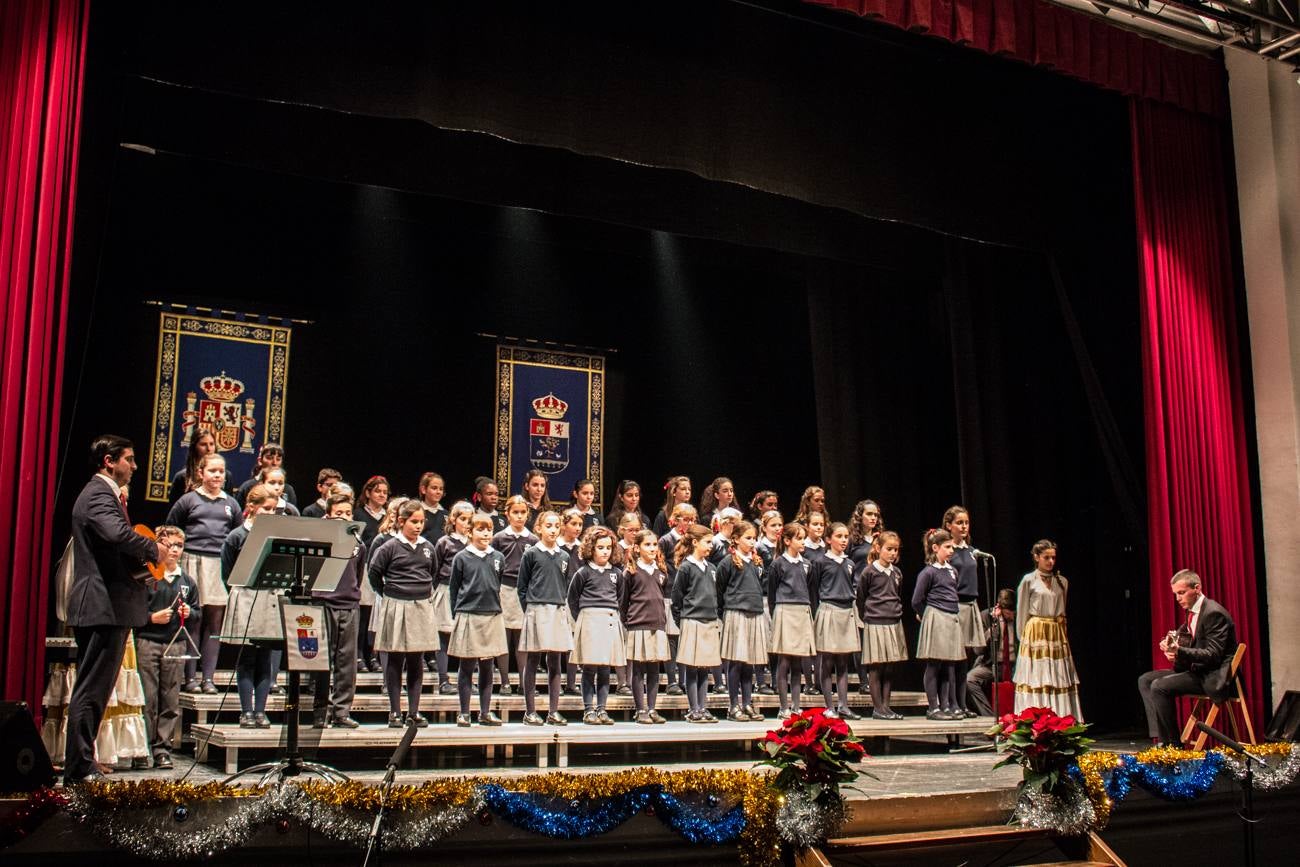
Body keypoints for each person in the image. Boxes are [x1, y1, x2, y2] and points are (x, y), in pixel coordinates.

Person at [1137, 569, 1237, 746]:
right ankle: (1161, 739)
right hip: (1197, 671)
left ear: (1197, 588)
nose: (1178, 598)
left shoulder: (1214, 613)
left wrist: (1179, 651)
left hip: (1212, 676)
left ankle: (1173, 746)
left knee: (1160, 686)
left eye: (1182, 593)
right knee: (1145, 680)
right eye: (1176, 594)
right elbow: (1184, 639)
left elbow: (1213, 655)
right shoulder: (1192, 611)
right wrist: (1169, 645)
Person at [369, 500, 439, 727]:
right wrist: (389, 593)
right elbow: (374, 574)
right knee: (396, 659)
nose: (418, 526)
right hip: (397, 604)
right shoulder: (389, 547)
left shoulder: (428, 547)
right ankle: (395, 712)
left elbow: (433, 573)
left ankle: (413, 712)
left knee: (416, 660)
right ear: (401, 521)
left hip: (421, 605)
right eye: (413, 522)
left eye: (421, 522)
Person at [220, 485, 285, 728]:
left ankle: (260, 711)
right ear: (252, 508)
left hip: (269, 597)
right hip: (246, 597)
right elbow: (228, 573)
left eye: (274, 509)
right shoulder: (237, 536)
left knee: (265, 658)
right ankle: (246, 711)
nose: (270, 513)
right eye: (266, 508)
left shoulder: (276, 537)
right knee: (247, 658)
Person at [134, 525, 197, 770]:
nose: (173, 550)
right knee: (147, 698)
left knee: (170, 699)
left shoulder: (187, 581)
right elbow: (134, 609)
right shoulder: (149, 577)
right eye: (169, 544)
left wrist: (190, 613)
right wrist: (150, 618)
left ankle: (162, 749)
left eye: (178, 546)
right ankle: (143, 748)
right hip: (148, 641)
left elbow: (197, 611)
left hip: (175, 644)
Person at [448, 513, 509, 727]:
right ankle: (464, 712)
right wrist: (457, 613)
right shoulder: (462, 558)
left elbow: (497, 582)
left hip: (491, 615)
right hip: (469, 614)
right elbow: (454, 588)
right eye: (480, 529)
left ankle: (485, 711)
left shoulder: (498, 558)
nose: (485, 533)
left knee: (487, 667)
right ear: (470, 531)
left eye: (489, 530)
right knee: (466, 666)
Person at [310, 492, 365, 729]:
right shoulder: (319, 540)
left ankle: (342, 711)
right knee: (323, 660)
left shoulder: (358, 544)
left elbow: (359, 573)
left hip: (349, 605)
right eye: (338, 514)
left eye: (347, 514)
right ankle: (321, 711)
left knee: (347, 662)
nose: (343, 518)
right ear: (328, 516)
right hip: (324, 603)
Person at [1013, 539, 1083, 719]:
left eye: (1053, 558)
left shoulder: (1062, 582)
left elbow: (1063, 610)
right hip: (1035, 631)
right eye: (1046, 558)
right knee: (1038, 675)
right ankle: (1035, 717)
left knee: (1057, 675)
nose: (1051, 561)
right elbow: (1021, 611)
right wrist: (1023, 639)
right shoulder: (1028, 581)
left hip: (1055, 631)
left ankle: (1060, 718)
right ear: (1036, 558)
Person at [517, 510, 574, 726]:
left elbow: (565, 583)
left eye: (556, 525)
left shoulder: (564, 556)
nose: (553, 529)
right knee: (533, 660)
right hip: (536, 609)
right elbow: (522, 586)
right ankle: (530, 711)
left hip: (558, 609)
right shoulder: (531, 553)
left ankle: (553, 710)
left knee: (555, 661)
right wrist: (531, 608)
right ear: (539, 528)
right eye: (548, 525)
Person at [567, 526, 626, 725]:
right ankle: (588, 709)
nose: (605, 551)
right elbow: (572, 598)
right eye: (600, 547)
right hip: (590, 619)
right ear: (591, 548)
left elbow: (620, 597)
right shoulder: (583, 572)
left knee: (604, 669)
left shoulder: (616, 573)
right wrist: (583, 619)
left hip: (609, 619)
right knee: (589, 668)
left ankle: (602, 708)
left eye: (608, 547)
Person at [717, 520, 769, 721]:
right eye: (748, 538)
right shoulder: (727, 562)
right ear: (736, 539)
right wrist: (725, 612)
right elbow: (719, 589)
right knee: (736, 663)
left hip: (754, 613)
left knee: (750, 663)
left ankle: (747, 704)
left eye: (754, 538)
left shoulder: (757, 562)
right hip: (736, 613)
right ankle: (733, 706)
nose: (752, 542)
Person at [672, 524, 723, 723]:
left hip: (709, 621)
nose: (711, 546)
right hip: (692, 620)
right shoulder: (686, 567)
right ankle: (693, 709)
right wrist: (682, 620)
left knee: (705, 668)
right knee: (692, 668)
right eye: (707, 542)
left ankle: (703, 707)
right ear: (695, 542)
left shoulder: (711, 568)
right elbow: (677, 598)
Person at [913, 527, 964, 721]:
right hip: (936, 617)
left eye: (952, 547)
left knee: (949, 665)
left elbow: (953, 593)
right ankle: (933, 707)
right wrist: (925, 616)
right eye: (947, 547)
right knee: (934, 664)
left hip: (951, 618)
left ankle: (948, 705)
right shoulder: (928, 572)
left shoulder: (952, 571)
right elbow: (917, 600)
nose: (951, 551)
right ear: (935, 547)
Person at [620, 529, 671, 725]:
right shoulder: (631, 572)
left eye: (654, 545)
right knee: (638, 669)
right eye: (647, 545)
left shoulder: (661, 572)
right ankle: (640, 709)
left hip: (657, 624)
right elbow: (623, 601)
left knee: (654, 670)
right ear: (637, 548)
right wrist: (629, 621)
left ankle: (651, 708)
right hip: (638, 624)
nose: (652, 548)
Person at [856, 530, 907, 720]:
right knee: (876, 667)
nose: (893, 553)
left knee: (889, 667)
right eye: (889, 549)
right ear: (878, 548)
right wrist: (867, 616)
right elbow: (861, 597)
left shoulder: (897, 572)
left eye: (895, 550)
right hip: (875, 622)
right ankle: (877, 707)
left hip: (893, 621)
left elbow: (898, 594)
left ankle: (886, 706)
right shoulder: (869, 572)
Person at [811, 522, 860, 719]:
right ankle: (829, 706)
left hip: (846, 611)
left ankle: (843, 705)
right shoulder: (821, 562)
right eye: (839, 536)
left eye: (846, 536)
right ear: (829, 539)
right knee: (827, 660)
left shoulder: (850, 564)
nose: (843, 540)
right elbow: (813, 589)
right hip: (828, 610)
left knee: (843, 662)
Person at [491, 495, 539, 694]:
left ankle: (523, 682)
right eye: (515, 512)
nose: (519, 517)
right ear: (507, 514)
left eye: (523, 513)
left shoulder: (533, 540)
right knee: (503, 637)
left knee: (522, 639)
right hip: (503, 589)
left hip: (523, 592)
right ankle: (504, 681)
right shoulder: (499, 538)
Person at [768, 522, 816, 717]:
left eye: (803, 537)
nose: (803, 541)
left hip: (802, 611)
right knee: (784, 661)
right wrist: (776, 615)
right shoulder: (778, 564)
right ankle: (783, 706)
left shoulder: (807, 564)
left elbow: (811, 591)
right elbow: (772, 593)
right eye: (799, 538)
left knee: (798, 663)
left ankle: (796, 706)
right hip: (785, 610)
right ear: (787, 540)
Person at [430, 501, 475, 693]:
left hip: (469, 593)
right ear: (453, 520)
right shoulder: (445, 542)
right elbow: (435, 568)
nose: (466, 523)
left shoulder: (474, 544)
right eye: (462, 519)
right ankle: (443, 680)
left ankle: (467, 680)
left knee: (469, 638)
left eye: (469, 520)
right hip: (446, 590)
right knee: (444, 637)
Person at [943, 505, 983, 718]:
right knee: (953, 659)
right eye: (959, 522)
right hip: (954, 606)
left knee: (965, 659)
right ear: (949, 526)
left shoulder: (971, 551)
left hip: (970, 605)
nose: (964, 526)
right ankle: (952, 703)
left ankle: (963, 704)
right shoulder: (949, 552)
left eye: (966, 522)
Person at [966, 588, 1017, 718]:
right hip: (993, 665)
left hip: (1015, 666)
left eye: (1013, 612)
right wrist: (992, 628)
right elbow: (978, 650)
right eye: (1008, 612)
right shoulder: (986, 616)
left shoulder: (1020, 619)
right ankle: (990, 718)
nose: (1011, 615)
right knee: (970, 679)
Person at [234, 442, 297, 508]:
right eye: (269, 458)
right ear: (260, 461)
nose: (274, 463)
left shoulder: (288, 490)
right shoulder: (247, 487)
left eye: (278, 459)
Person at [168, 429, 218, 504]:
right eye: (203, 444)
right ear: (194, 447)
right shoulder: (181, 477)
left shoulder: (225, 476)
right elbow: (174, 511)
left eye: (211, 444)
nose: (209, 449)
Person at [357, 475, 390, 545]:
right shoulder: (357, 515)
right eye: (378, 491)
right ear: (368, 493)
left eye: (385, 492)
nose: (382, 495)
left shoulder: (389, 516)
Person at [416, 472, 448, 542]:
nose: (438, 492)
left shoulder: (446, 514)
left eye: (441, 489)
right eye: (434, 488)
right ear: (424, 489)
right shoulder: (416, 512)